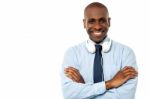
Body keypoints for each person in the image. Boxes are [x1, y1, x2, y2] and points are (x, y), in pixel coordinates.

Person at [61, 2, 138, 99]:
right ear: (84, 23)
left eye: (102, 20)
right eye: (91, 21)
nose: (97, 26)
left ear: (109, 22)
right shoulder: (72, 54)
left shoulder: (126, 53)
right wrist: (109, 84)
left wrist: (84, 88)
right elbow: (69, 94)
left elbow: (126, 96)